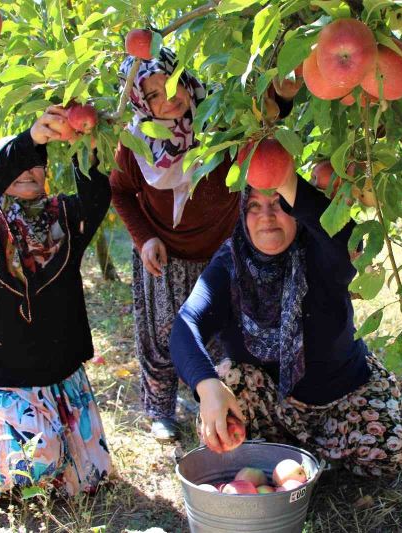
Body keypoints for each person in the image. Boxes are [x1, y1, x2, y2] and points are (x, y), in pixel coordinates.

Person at [170, 168, 402, 477]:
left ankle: (301, 462)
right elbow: (185, 326)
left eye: (280, 204)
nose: (267, 216)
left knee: (391, 449)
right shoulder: (230, 263)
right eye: (254, 206)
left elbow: (344, 237)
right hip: (271, 406)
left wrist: (283, 173)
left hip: (342, 397)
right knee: (226, 390)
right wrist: (207, 387)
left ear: (297, 211)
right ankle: (288, 458)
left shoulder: (323, 251)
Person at [110, 48, 299, 442]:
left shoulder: (216, 118)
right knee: (163, 336)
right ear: (140, 103)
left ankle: (216, 403)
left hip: (223, 250)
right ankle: (161, 409)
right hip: (166, 253)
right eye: (155, 94)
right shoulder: (136, 142)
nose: (170, 98)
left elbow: (264, 118)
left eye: (173, 83)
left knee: (222, 336)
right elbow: (121, 192)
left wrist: (283, 90)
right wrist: (145, 239)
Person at [0, 106, 112, 506]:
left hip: (57, 376)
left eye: (36, 163)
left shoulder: (64, 219)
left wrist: (83, 143)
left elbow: (96, 197)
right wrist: (28, 141)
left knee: (87, 479)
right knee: (30, 461)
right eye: (16, 161)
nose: (26, 170)